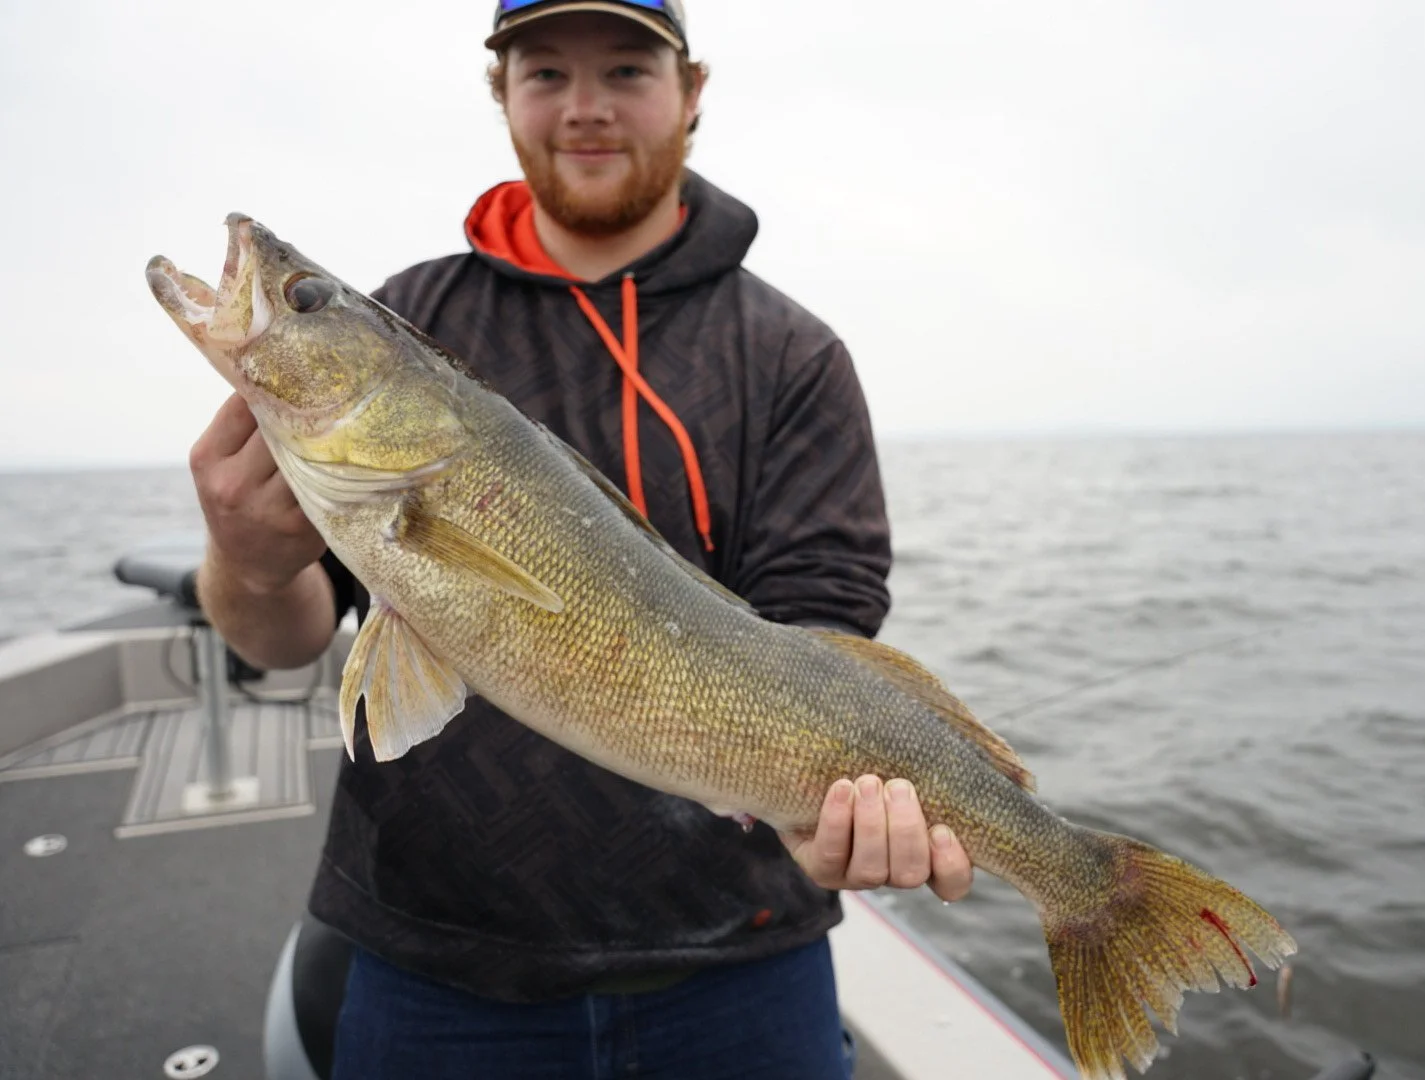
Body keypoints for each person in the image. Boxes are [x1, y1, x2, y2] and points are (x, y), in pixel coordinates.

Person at [186, 2, 973, 1076]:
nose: (585, 107)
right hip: (432, 961)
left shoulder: (792, 355)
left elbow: (822, 628)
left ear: (691, 92)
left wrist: (840, 804)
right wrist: (245, 558)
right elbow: (281, 640)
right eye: (544, 71)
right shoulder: (415, 313)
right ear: (501, 96)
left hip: (740, 965)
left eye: (626, 70)